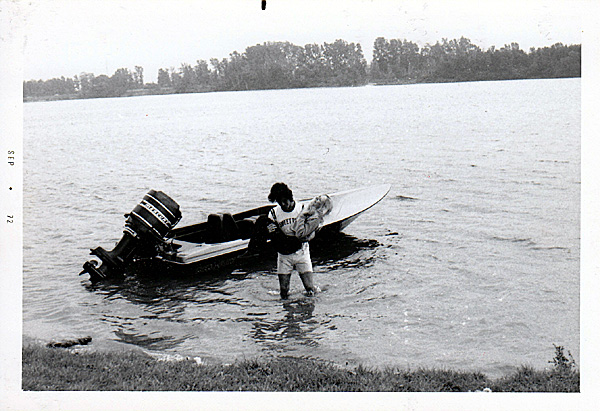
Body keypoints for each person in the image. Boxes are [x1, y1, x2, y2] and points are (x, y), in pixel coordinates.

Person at [266, 183, 332, 299]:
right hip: (284, 255)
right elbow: (273, 235)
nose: (283, 204)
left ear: (291, 198)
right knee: (284, 292)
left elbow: (311, 230)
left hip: (302, 252)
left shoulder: (302, 209)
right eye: (279, 202)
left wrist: (310, 234)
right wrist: (269, 229)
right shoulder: (273, 213)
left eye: (285, 201)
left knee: (309, 289)